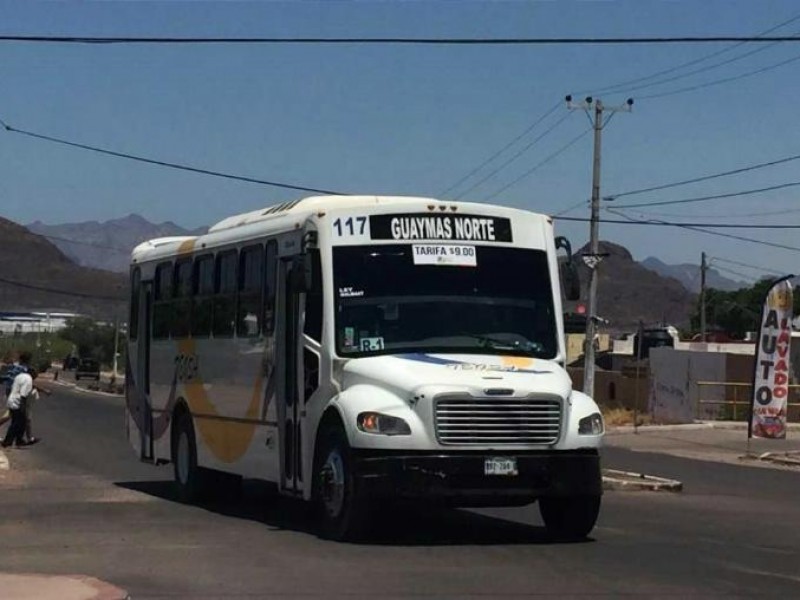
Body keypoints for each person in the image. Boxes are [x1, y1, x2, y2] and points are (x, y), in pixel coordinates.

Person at [2, 355, 33, 448]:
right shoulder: (28, 379)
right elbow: (23, 395)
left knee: (20, 422)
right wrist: (22, 407)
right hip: (17, 402)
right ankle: (7, 442)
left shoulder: (19, 375)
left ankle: (18, 440)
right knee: (17, 423)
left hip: (11, 398)